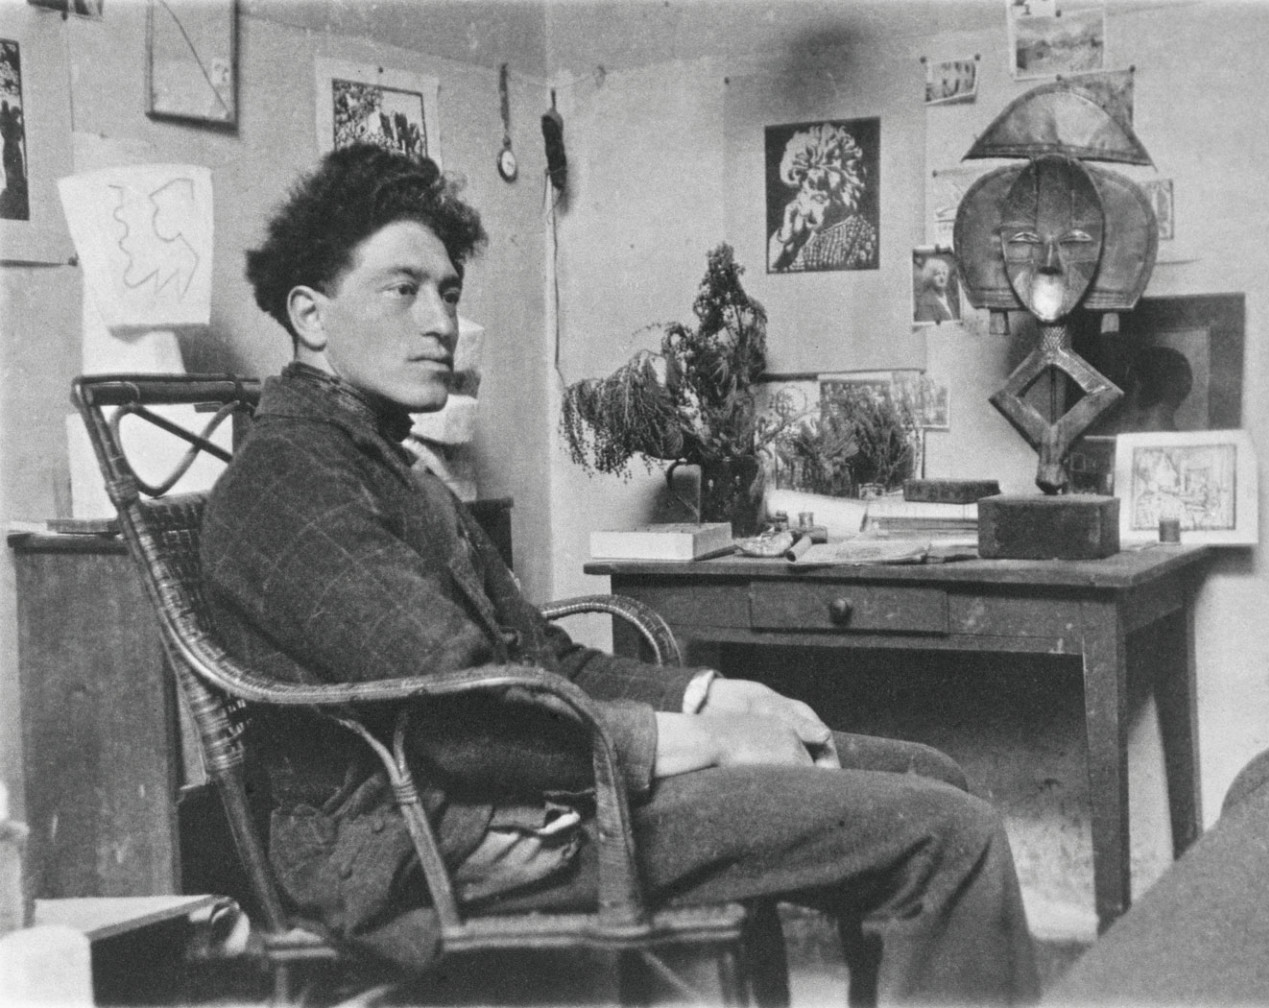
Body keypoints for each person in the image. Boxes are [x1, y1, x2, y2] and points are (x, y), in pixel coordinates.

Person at [202, 143, 1038, 1005]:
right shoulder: (288, 478)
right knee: (947, 833)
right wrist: (703, 747)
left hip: (515, 780)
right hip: (428, 836)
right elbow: (463, 707)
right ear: (309, 314)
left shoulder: (394, 470)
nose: (440, 321)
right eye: (402, 289)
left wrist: (717, 697)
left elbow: (548, 664)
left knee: (930, 776)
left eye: (448, 291)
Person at [768, 121, 879, 272]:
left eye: (819, 198)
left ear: (844, 196)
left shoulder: (856, 241)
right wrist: (784, 236)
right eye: (804, 193)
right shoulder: (813, 239)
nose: (805, 211)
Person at [914, 252, 959, 323]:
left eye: (944, 273)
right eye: (937, 274)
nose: (942, 277)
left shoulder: (949, 299)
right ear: (929, 277)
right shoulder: (925, 302)